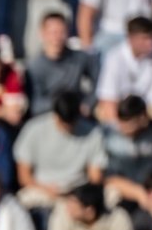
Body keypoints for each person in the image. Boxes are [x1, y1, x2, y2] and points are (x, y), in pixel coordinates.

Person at [14, 91, 98, 220]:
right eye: (64, 122)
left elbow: (95, 177)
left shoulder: (92, 132)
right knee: (19, 205)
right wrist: (46, 189)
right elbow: (24, 176)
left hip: (78, 193)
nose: (68, 126)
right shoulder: (33, 128)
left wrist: (77, 197)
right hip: (41, 190)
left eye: (72, 122)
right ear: (55, 114)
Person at [94, 17, 152, 127]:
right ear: (131, 38)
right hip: (123, 111)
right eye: (145, 38)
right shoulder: (115, 58)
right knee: (102, 112)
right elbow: (108, 99)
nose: (150, 43)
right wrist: (120, 129)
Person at [25, 12, 97, 117]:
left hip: (77, 114)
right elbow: (36, 105)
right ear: (42, 34)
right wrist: (63, 105)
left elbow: (98, 79)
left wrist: (88, 103)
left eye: (61, 32)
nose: (57, 37)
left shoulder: (79, 58)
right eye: (53, 32)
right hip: (49, 116)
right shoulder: (34, 67)